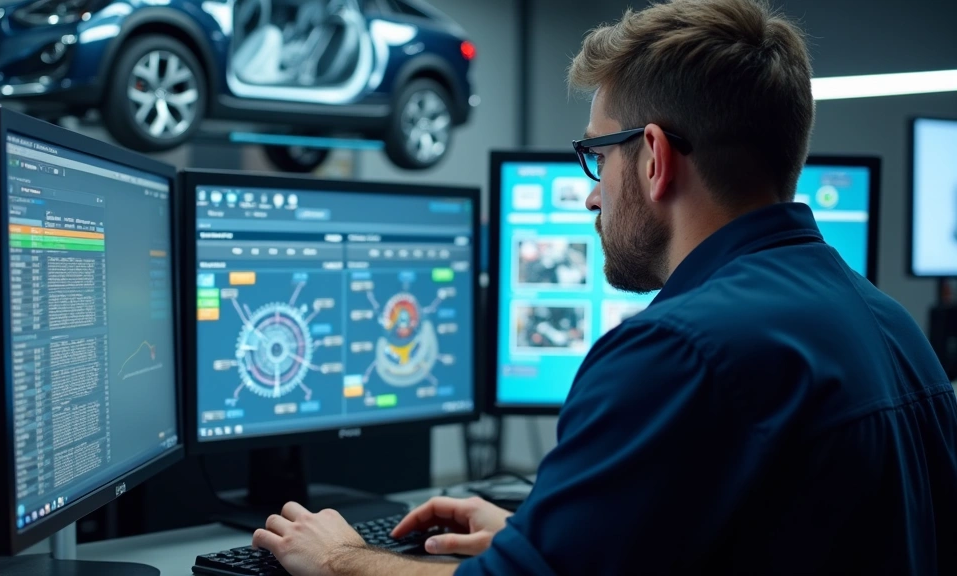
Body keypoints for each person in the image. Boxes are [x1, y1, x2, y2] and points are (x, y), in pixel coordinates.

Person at [250, 0, 957, 573]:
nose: (589, 196)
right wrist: (539, 536)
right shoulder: (891, 328)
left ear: (652, 157)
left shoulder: (677, 351)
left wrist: (342, 558)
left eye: (594, 154)